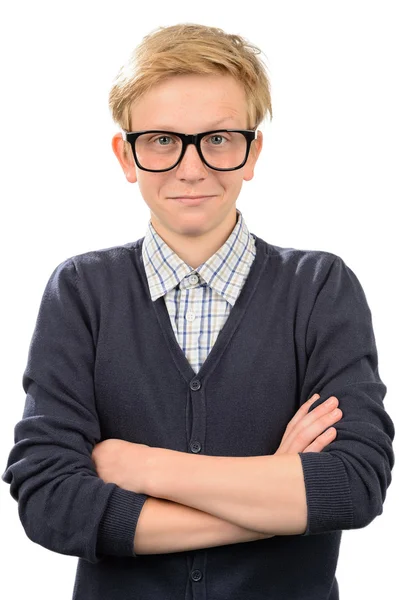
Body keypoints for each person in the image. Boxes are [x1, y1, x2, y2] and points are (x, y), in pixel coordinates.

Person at [2, 22, 395, 600]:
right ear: (126, 155)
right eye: (162, 140)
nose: (191, 167)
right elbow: (52, 503)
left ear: (252, 150)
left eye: (218, 138)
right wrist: (274, 494)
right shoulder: (83, 291)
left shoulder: (319, 289)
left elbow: (354, 484)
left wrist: (138, 467)